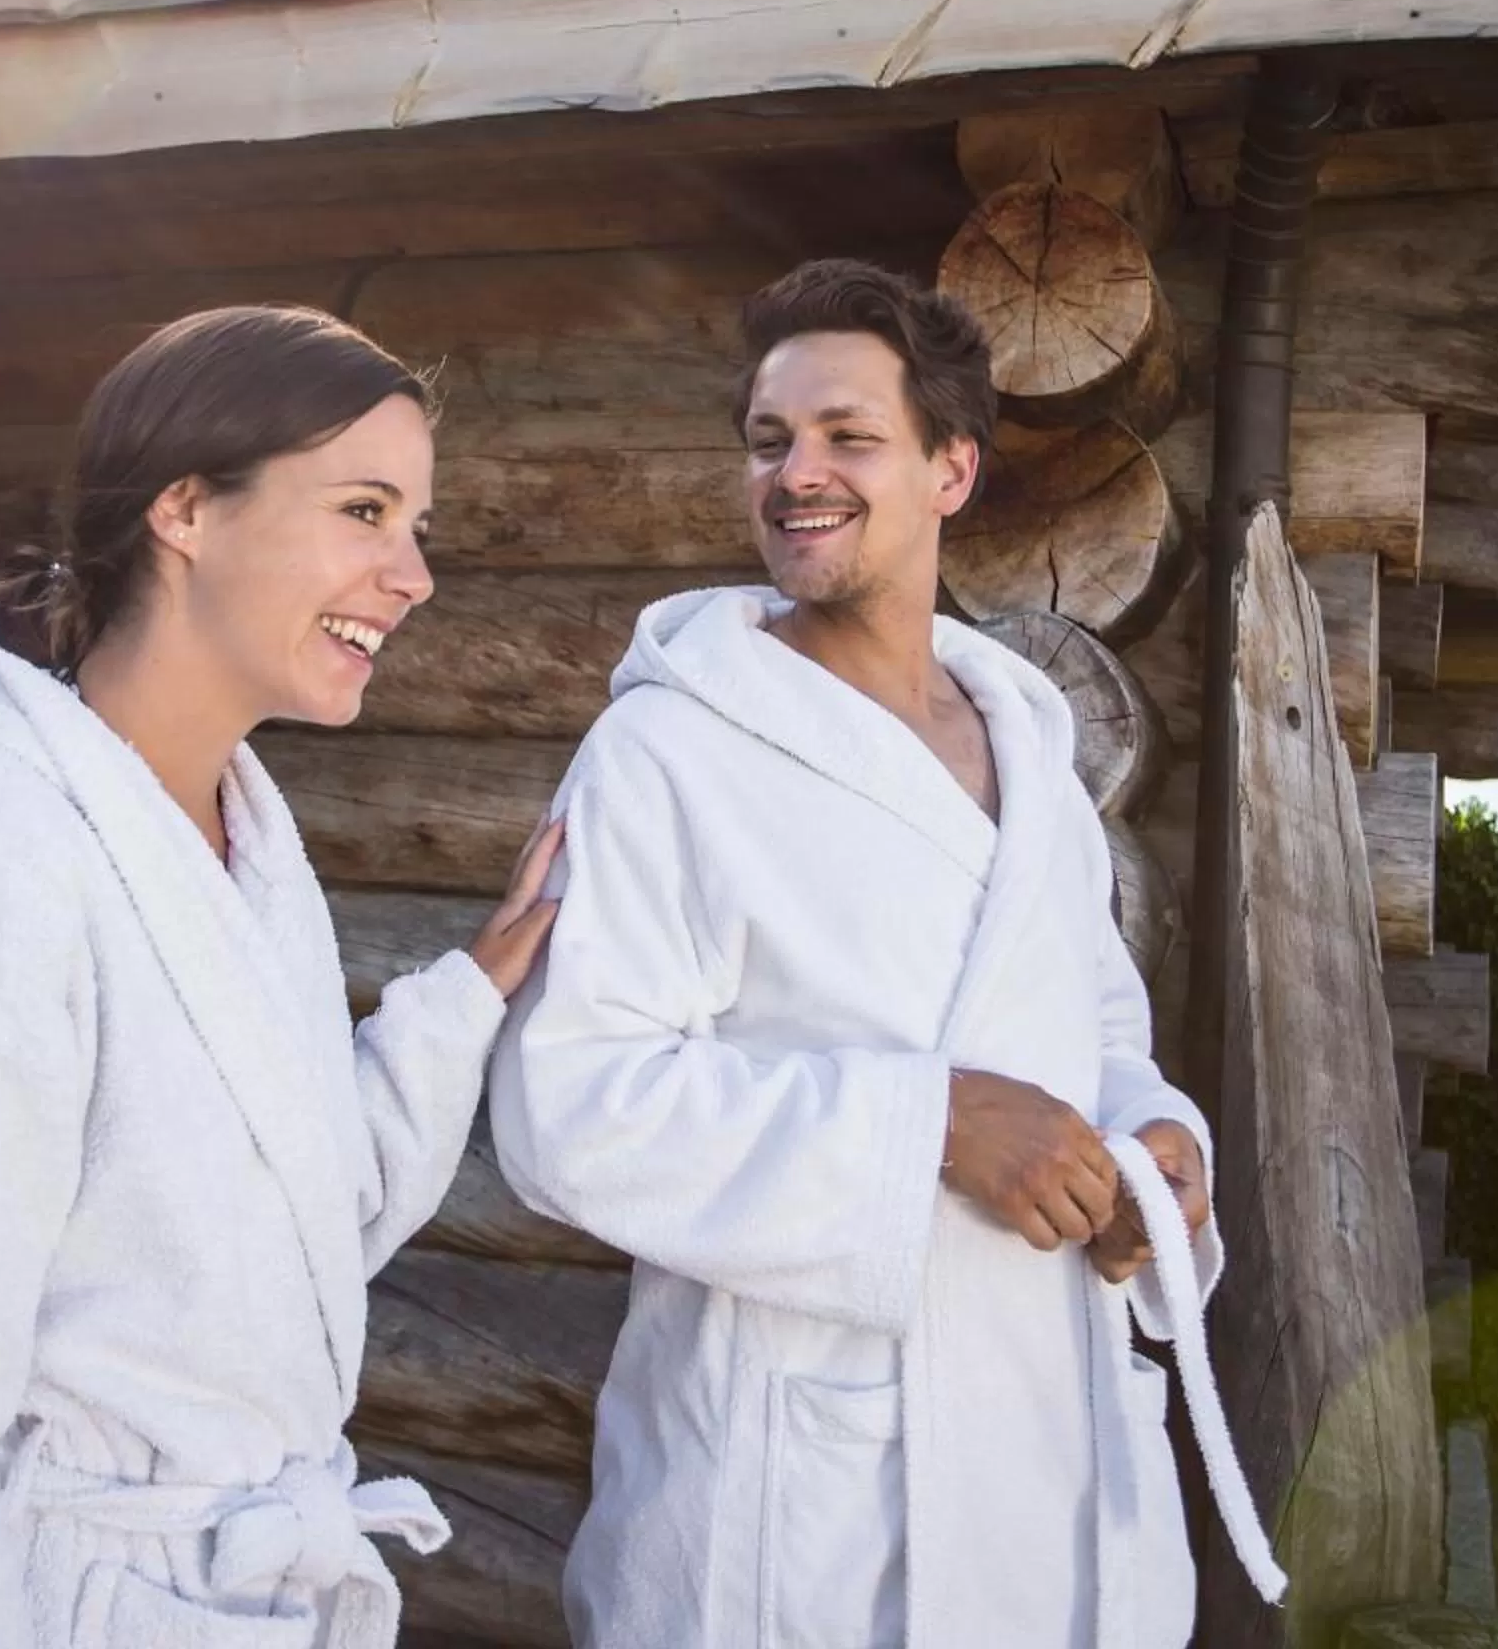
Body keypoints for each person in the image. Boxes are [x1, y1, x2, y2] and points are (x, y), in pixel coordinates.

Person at [0, 305, 562, 1649]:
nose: (414, 576)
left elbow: (286, 1234)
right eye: (364, 510)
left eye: (418, 528)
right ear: (187, 511)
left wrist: (462, 1001)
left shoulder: (231, 844)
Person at [489, 260, 1280, 1647]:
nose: (798, 472)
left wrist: (1154, 1151)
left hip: (1056, 1458)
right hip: (805, 1503)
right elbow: (568, 1108)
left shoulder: (1033, 757)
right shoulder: (671, 750)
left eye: (848, 436)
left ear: (951, 471)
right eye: (769, 440)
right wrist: (929, 1124)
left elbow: (1096, 1033)